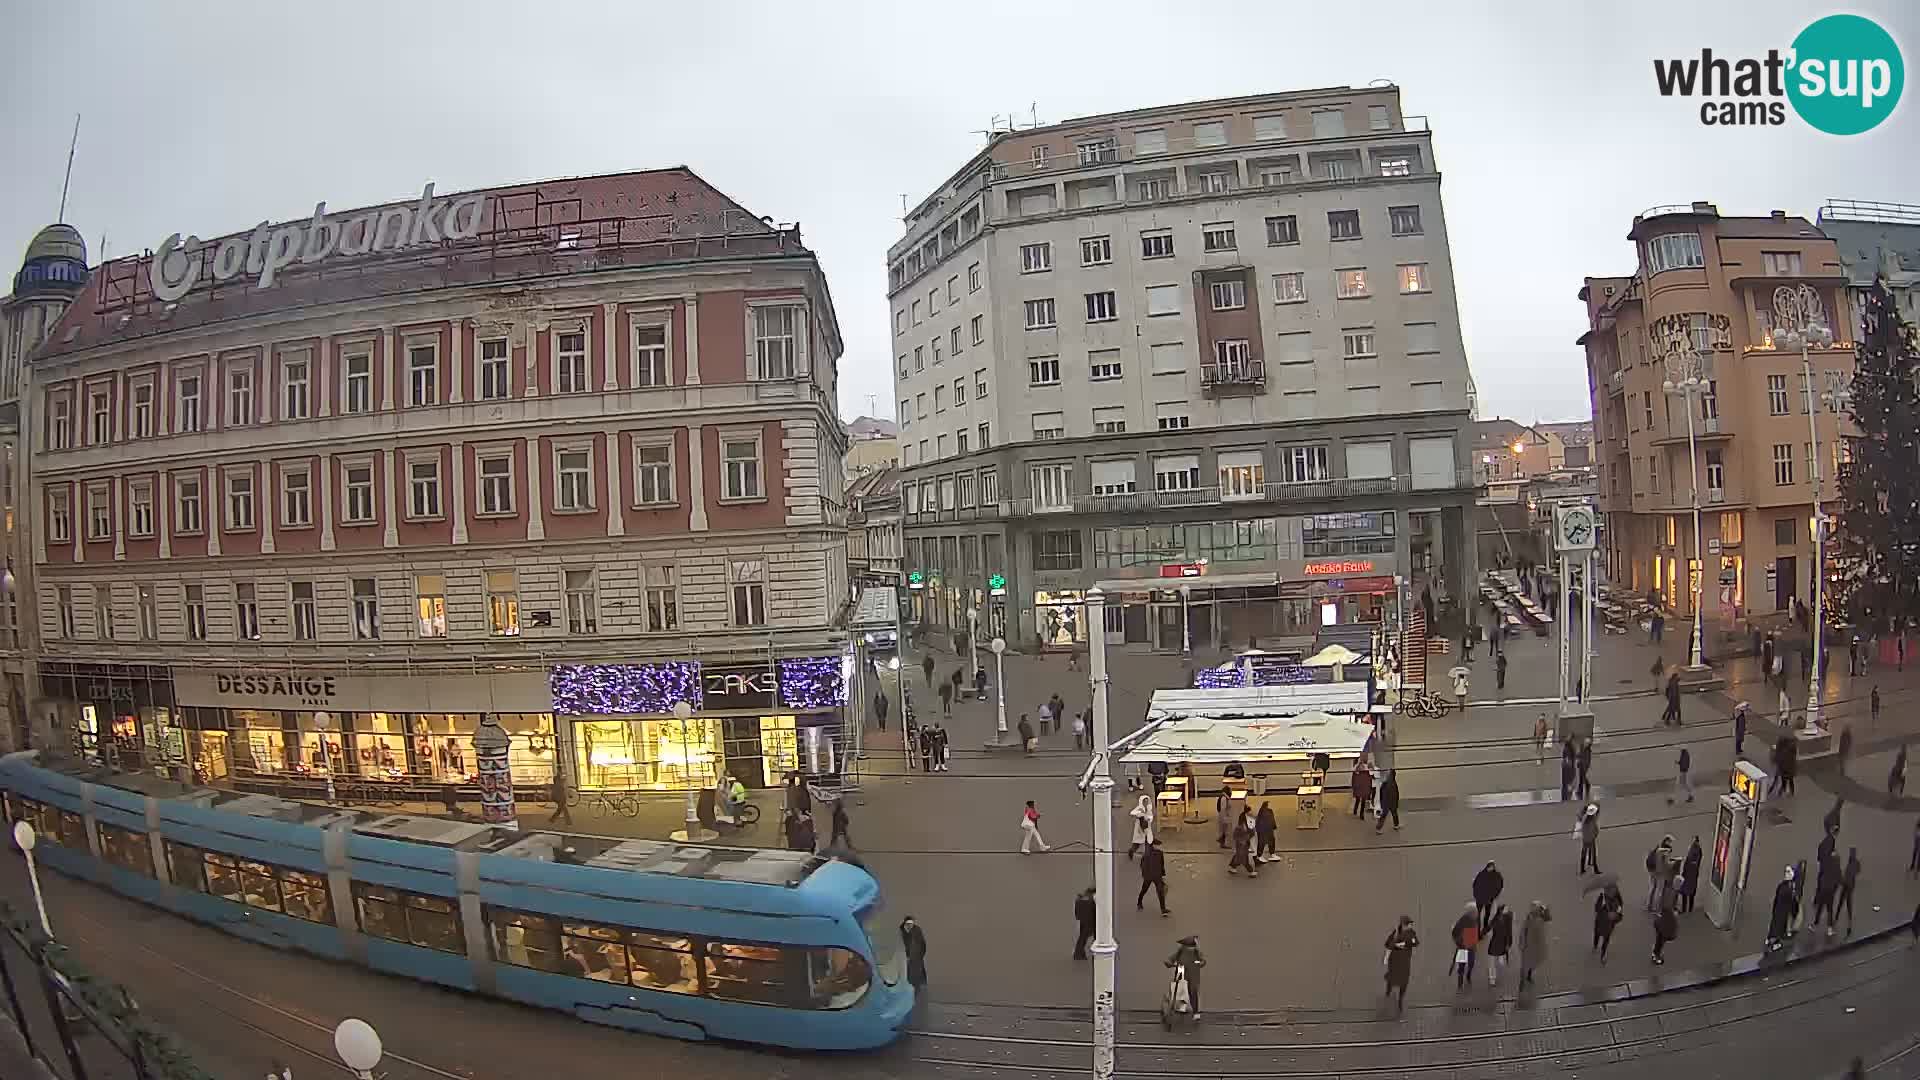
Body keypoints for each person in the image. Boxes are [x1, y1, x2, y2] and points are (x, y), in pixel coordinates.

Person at [1382, 916, 1419, 1011]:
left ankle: (1400, 999)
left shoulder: (1411, 933)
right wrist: (1394, 946)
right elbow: (1387, 944)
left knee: (1404, 980)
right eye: (1409, 924)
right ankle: (1388, 992)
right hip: (1395, 960)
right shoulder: (1396, 933)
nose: (1410, 926)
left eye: (1411, 924)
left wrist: (1404, 944)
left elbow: (1415, 942)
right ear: (1403, 925)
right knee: (1392, 976)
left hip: (1405, 960)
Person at [1166, 936, 1205, 1019]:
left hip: (1193, 976)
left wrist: (1199, 963)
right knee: (1179, 991)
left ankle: (1195, 1012)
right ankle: (1179, 1009)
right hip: (1181, 975)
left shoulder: (1196, 952)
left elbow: (1203, 961)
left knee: (1192, 992)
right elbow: (1169, 960)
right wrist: (1171, 963)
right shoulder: (1180, 951)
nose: (1190, 949)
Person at [1518, 901, 1551, 989]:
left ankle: (1528, 975)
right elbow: (1523, 930)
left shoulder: (1541, 916)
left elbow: (1548, 918)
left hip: (1536, 944)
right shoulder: (1529, 918)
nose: (1534, 910)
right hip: (1529, 944)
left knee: (1532, 961)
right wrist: (1522, 942)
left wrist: (1546, 909)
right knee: (1525, 963)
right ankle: (1523, 980)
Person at [1449, 902, 1480, 989]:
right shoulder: (1464, 920)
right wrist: (1458, 942)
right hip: (1463, 946)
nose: (1476, 913)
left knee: (1470, 963)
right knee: (1462, 965)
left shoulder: (1475, 919)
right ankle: (1460, 981)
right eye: (1474, 911)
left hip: (1471, 945)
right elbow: (1455, 931)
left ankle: (1468, 975)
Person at [1767, 866, 1799, 949]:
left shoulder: (1781, 885)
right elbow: (1792, 902)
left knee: (1774, 924)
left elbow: (1777, 897)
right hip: (1783, 911)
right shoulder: (1789, 888)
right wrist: (1794, 912)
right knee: (1780, 928)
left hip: (1777, 908)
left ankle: (1769, 938)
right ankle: (1775, 944)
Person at [1137, 838, 1170, 915]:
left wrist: (1144, 875)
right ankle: (1163, 909)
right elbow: (1162, 865)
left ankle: (1139, 902)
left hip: (1151, 875)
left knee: (1145, 890)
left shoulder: (1146, 855)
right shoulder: (1158, 853)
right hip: (1155, 875)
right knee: (1159, 892)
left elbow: (1142, 866)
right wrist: (1162, 874)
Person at [1592, 882, 1624, 961]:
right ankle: (1595, 945)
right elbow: (1596, 909)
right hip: (1600, 922)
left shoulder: (1618, 901)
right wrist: (1602, 906)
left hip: (1609, 925)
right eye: (1608, 890)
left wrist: (1615, 916)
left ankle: (1603, 954)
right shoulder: (1602, 898)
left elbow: (1620, 914)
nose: (1610, 893)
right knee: (1597, 935)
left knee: (1606, 940)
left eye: (1613, 891)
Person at [1472, 861, 1504, 933]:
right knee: (1478, 914)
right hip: (1480, 898)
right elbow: (1475, 885)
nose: (1490, 868)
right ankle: (1478, 929)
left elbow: (1500, 886)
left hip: (1489, 899)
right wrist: (1476, 895)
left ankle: (1485, 927)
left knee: (1487, 913)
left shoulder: (1497, 875)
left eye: (1492, 866)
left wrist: (1493, 896)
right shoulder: (1481, 874)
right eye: (1489, 866)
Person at [1485, 903, 1513, 986]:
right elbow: (1489, 927)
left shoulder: (1507, 918)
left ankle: (1500, 958)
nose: (1507, 910)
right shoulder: (1497, 919)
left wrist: (1509, 943)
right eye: (1505, 909)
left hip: (1500, 943)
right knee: (1492, 962)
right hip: (1496, 943)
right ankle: (1492, 978)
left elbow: (1509, 932)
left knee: (1494, 961)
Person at [1646, 835, 1675, 911]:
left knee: (1652, 887)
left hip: (1652, 871)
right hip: (1660, 873)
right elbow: (1667, 864)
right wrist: (1673, 863)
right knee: (1659, 890)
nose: (1671, 843)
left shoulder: (1658, 848)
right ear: (1667, 842)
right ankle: (1656, 908)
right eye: (1670, 842)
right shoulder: (1665, 851)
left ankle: (1648, 905)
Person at [1227, 807, 1258, 878]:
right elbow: (1236, 836)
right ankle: (1251, 871)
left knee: (1238, 856)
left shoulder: (1245, 826)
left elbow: (1250, 833)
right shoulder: (1240, 828)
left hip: (1244, 844)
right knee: (1244, 859)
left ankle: (1233, 867)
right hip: (1242, 845)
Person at [900, 916, 928, 992]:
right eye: (908, 924)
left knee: (916, 974)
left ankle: (917, 987)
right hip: (905, 958)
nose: (909, 925)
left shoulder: (917, 930)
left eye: (911, 924)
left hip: (916, 957)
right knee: (907, 974)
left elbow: (922, 944)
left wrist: (920, 955)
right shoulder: (901, 931)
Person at [1837, 848, 1861, 935]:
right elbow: (1857, 871)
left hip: (1847, 886)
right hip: (1848, 885)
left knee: (1845, 902)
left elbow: (1851, 873)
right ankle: (1845, 919)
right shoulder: (1854, 862)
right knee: (1845, 902)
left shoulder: (1853, 862)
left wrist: (1842, 881)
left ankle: (1841, 917)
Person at [1680, 836, 1703, 914]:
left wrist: (1684, 872)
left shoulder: (1695, 850)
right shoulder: (1696, 850)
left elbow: (1689, 862)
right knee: (1690, 893)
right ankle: (1689, 909)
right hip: (1691, 875)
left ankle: (1685, 909)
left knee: (1686, 893)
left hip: (1689, 875)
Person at [1128, 793, 1155, 859]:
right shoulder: (1140, 808)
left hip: (1147, 827)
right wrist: (1141, 814)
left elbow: (1150, 817)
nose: (1146, 802)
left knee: (1148, 841)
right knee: (1137, 843)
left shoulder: (1149, 809)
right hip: (1140, 828)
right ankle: (1131, 851)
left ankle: (1148, 856)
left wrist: (1148, 818)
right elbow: (1132, 813)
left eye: (1147, 801)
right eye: (1144, 801)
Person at [1072, 887, 1096, 960]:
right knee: (1091, 937)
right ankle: (1079, 953)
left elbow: (1077, 912)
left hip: (1084, 920)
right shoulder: (1091, 900)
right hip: (1090, 921)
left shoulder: (1082, 898)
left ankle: (1079, 953)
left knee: (1083, 937)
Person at [1579, 803, 1602, 875]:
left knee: (1585, 853)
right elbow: (1595, 829)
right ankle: (1594, 868)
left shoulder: (1587, 819)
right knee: (1592, 853)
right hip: (1590, 839)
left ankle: (1583, 868)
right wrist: (1595, 834)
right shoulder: (1590, 819)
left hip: (1587, 838)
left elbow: (1595, 828)